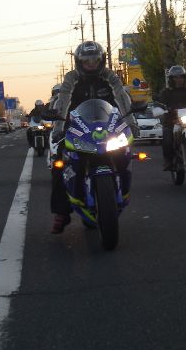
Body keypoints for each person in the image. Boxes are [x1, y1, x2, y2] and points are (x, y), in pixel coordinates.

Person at [49, 41, 137, 234]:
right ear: (79, 62)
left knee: (126, 153)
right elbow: (63, 100)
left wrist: (131, 123)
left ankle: (122, 191)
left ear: (101, 60)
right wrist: (58, 127)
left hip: (108, 128)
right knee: (59, 164)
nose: (91, 64)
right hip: (77, 129)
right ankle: (61, 213)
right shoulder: (71, 79)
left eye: (95, 60)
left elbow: (121, 97)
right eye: (86, 61)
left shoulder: (110, 77)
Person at [154, 65, 186, 171]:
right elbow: (160, 102)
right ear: (171, 79)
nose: (179, 79)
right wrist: (160, 106)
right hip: (171, 121)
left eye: (181, 77)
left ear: (184, 78)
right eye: (176, 77)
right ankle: (168, 161)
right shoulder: (166, 92)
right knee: (167, 138)